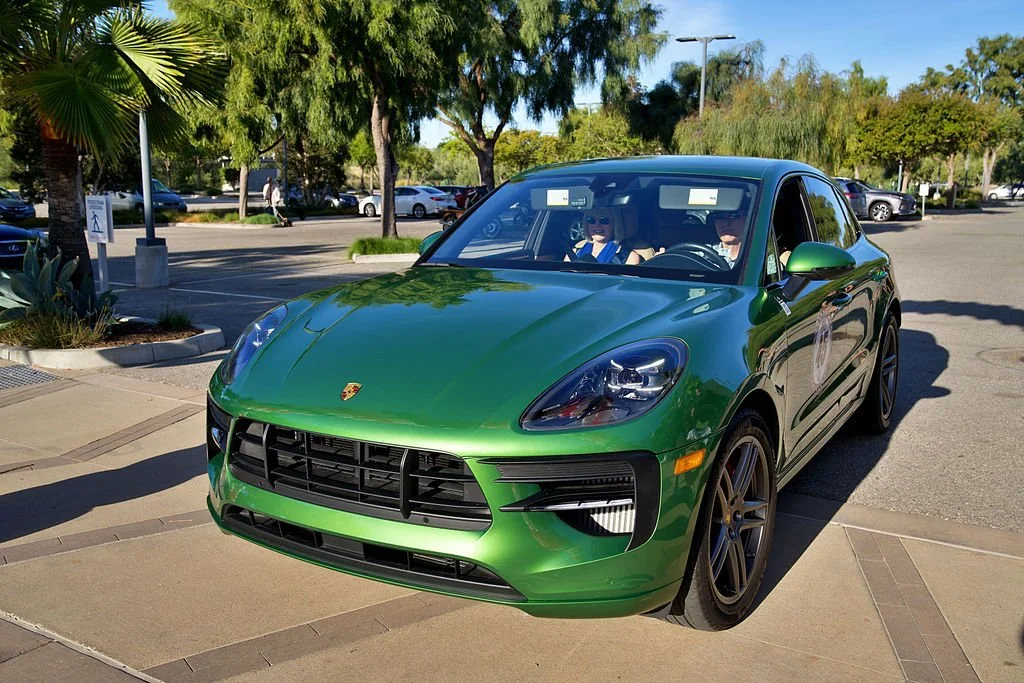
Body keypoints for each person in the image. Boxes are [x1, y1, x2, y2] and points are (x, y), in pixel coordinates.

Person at [565, 208, 641, 265]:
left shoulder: (629, 257)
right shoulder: (574, 252)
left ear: (615, 224)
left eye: (604, 220)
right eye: (591, 220)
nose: (597, 225)